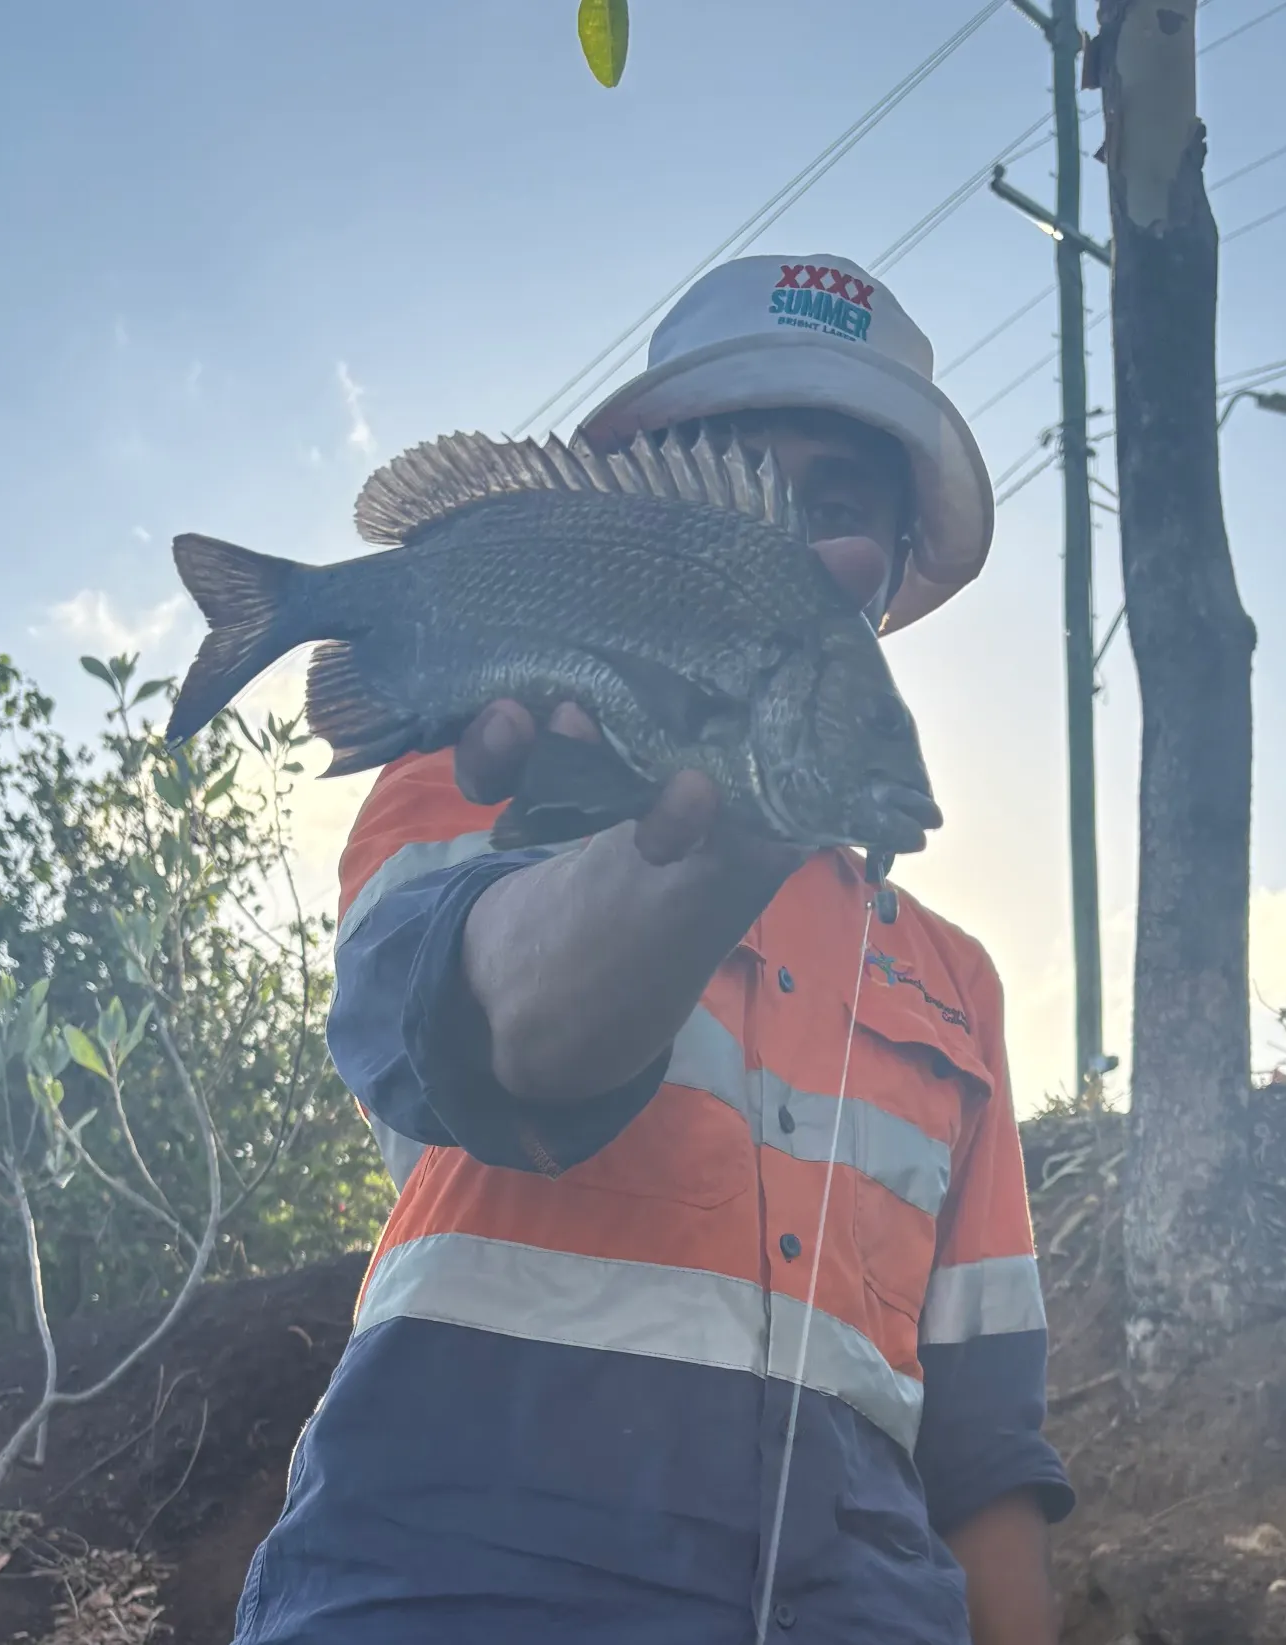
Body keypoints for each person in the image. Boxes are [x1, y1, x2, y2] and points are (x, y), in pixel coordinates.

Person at [231, 253, 1074, 1645]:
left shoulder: (955, 980)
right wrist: (658, 849)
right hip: (452, 1577)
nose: (798, 543)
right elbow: (505, 1046)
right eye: (748, 482)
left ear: (893, 576)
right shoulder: (474, 781)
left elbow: (983, 1437)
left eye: (842, 508)